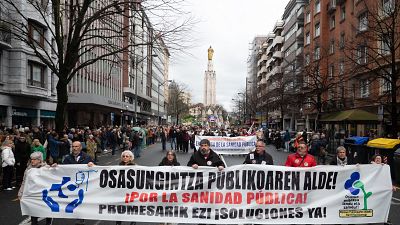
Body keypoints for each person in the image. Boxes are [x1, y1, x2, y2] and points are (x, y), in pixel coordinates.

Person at [18, 152, 53, 225]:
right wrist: (20, 192)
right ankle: (34, 223)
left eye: (35, 159)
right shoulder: (28, 169)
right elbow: (24, 181)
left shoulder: (46, 168)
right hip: (33, 193)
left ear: (40, 160)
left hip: (44, 193)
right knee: (33, 209)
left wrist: (54, 167)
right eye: (31, 159)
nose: (32, 161)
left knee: (47, 209)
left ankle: (48, 222)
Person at [116, 150, 135, 225]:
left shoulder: (136, 167)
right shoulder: (118, 167)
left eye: (127, 156)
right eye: (123, 156)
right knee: (120, 207)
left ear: (131, 158)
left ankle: (132, 221)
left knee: (131, 207)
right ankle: (118, 222)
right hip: (121, 191)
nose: (125, 158)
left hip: (131, 191)